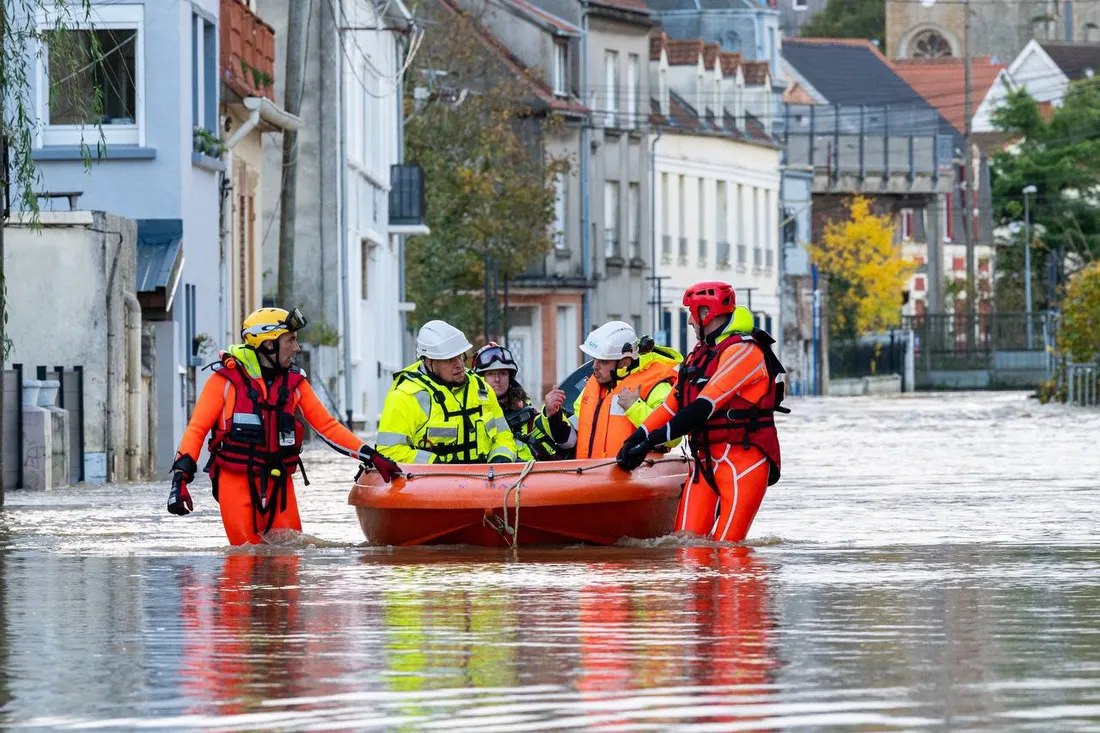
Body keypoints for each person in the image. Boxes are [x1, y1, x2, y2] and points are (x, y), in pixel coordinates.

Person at [166, 307, 401, 546]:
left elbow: (327, 427)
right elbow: (196, 429)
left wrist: (372, 457)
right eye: (291, 340)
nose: (297, 347)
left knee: (290, 560)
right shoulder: (224, 381)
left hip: (279, 484)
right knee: (244, 562)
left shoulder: (294, 382)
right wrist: (180, 479)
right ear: (269, 344)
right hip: (235, 483)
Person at [616, 281, 786, 543]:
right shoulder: (698, 355)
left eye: (691, 314)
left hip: (743, 465)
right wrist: (636, 437)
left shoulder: (744, 352)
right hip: (705, 463)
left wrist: (651, 441)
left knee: (728, 552)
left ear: (706, 313)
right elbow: (671, 405)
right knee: (686, 548)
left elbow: (703, 407)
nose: (689, 322)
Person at [376, 320, 519, 465]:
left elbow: (503, 436)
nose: (459, 364)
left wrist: (500, 459)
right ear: (428, 362)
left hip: (483, 478)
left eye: (460, 356)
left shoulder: (481, 388)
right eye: (449, 359)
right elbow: (388, 451)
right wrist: (434, 464)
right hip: (431, 481)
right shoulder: (405, 397)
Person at [543, 321, 682, 459]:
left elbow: (673, 437)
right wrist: (553, 415)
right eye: (595, 359)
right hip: (592, 477)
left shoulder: (655, 385)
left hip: (634, 479)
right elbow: (570, 440)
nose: (595, 366)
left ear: (625, 362)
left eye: (604, 361)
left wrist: (635, 407)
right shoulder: (593, 386)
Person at [472, 342, 560, 461]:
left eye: (503, 373)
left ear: (510, 377)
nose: (497, 379)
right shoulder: (472, 410)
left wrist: (550, 415)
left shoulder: (523, 410)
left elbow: (547, 443)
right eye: (491, 374)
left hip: (526, 473)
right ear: (480, 378)